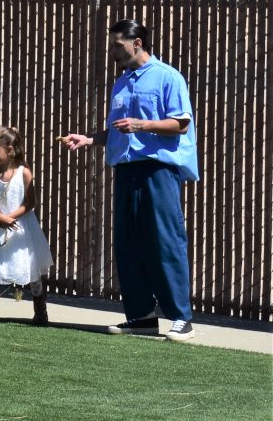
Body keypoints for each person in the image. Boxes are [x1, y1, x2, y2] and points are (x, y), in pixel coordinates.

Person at [63, 19, 198, 341]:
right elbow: (116, 129)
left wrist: (143, 124)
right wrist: (89, 139)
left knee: (164, 241)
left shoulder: (167, 77)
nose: (112, 51)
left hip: (157, 170)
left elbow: (180, 123)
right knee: (128, 245)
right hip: (125, 170)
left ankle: (181, 319)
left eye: (117, 45)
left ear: (137, 43)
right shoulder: (121, 82)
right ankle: (141, 317)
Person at [0, 126, 53, 325]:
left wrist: (10, 217)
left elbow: (30, 203)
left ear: (10, 150)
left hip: (21, 230)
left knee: (31, 270)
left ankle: (40, 311)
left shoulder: (24, 173)